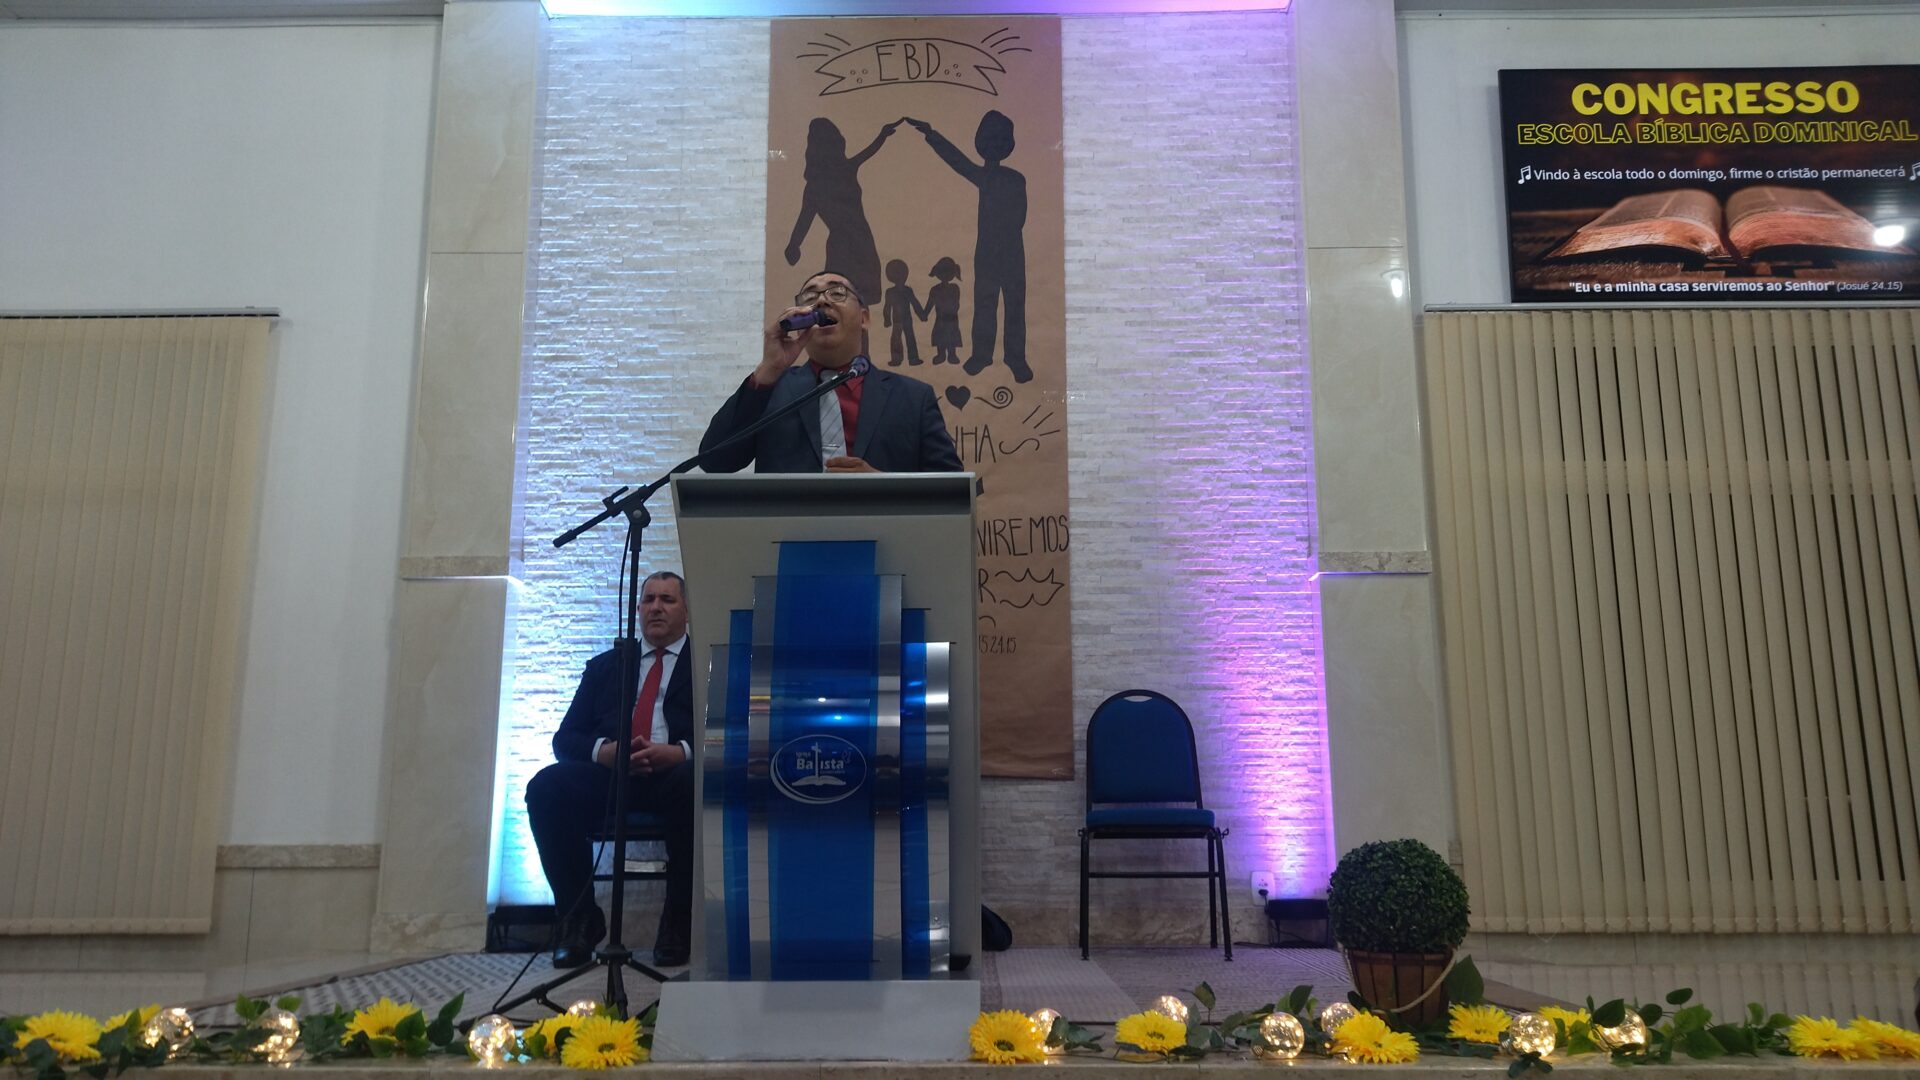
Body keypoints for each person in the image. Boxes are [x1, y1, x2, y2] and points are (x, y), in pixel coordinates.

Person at [526, 571, 695, 968]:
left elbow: (730, 732)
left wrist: (681, 752)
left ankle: (678, 921)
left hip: (675, 776)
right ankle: (579, 919)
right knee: (546, 787)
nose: (656, 608)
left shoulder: (705, 663)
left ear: (687, 610)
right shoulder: (606, 666)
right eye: (648, 600)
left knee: (695, 783)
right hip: (612, 776)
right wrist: (605, 752)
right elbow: (565, 739)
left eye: (667, 600)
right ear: (637, 609)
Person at [699, 270, 963, 474]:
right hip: (790, 530)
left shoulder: (913, 398)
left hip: (884, 530)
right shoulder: (769, 389)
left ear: (864, 318)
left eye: (837, 293)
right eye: (810, 297)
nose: (822, 300)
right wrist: (769, 369)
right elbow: (715, 461)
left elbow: (951, 493)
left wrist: (883, 486)